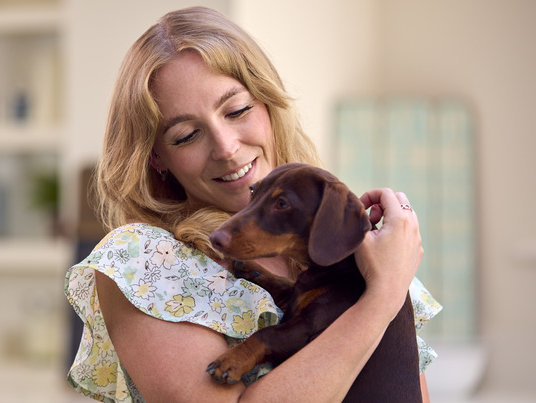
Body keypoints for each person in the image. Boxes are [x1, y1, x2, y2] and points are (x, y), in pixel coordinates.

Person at [65, 6, 441, 402]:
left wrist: (387, 281)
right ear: (156, 156)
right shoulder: (145, 260)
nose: (226, 149)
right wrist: (381, 297)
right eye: (187, 134)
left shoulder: (357, 248)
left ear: (267, 103)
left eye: (238, 109)